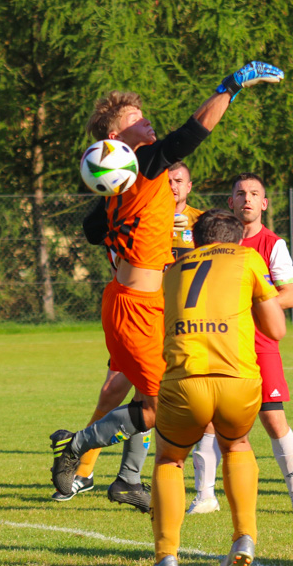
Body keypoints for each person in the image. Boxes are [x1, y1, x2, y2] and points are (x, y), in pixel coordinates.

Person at [49, 62, 285, 507]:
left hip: (143, 302)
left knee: (149, 398)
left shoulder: (125, 180)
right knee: (167, 407)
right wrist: (230, 87)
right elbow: (192, 132)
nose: (146, 120)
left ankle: (127, 481)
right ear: (115, 141)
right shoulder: (140, 162)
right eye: (134, 119)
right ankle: (78, 446)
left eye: (143, 112)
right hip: (135, 308)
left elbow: (91, 230)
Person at [50, 161, 202, 506]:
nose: (172, 187)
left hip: (177, 324)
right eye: (167, 180)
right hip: (140, 317)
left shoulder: (200, 222)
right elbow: (109, 245)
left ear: (189, 186)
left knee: (150, 401)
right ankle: (85, 464)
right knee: (120, 394)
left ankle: (126, 478)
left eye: (178, 181)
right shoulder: (133, 218)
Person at [152, 208, 286, 566]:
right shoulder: (248, 257)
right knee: (237, 445)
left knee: (169, 458)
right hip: (237, 381)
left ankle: (167, 556)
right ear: (238, 239)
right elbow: (276, 330)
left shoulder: (174, 269)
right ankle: (244, 539)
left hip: (185, 381)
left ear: (195, 241)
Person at [187, 173, 293, 516]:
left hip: (259, 342)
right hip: (217, 341)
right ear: (230, 202)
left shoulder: (273, 244)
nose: (247, 198)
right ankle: (205, 495)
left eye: (254, 193)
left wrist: (249, 300)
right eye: (240, 193)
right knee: (208, 417)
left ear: (264, 203)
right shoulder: (212, 243)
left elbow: (289, 295)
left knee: (273, 418)